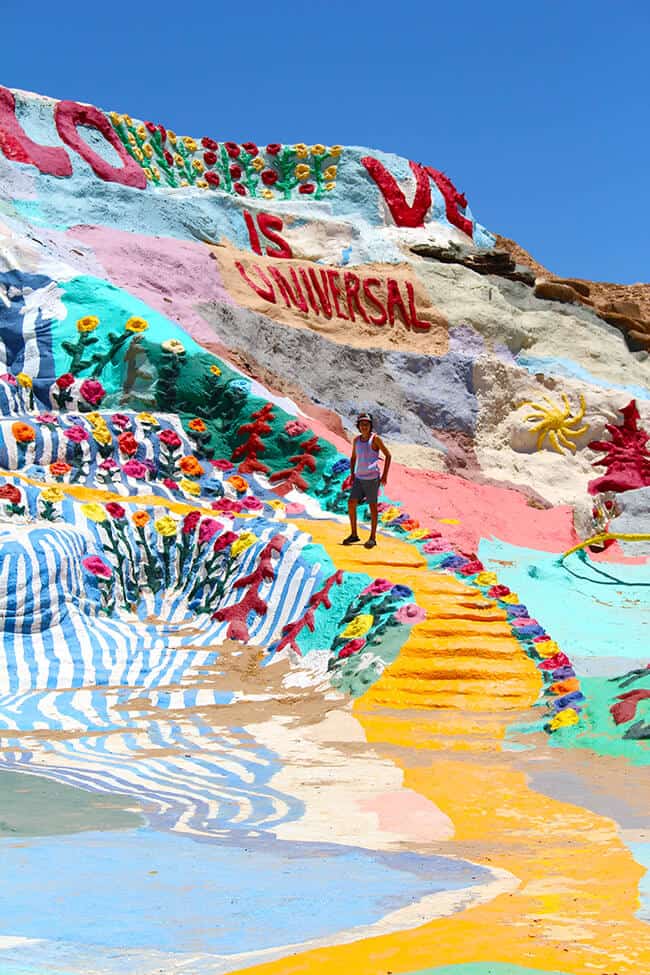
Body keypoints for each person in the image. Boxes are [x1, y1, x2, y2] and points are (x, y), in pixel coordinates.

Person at [342, 413, 391, 549]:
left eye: (367, 424)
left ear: (370, 426)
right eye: (362, 424)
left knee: (372, 507)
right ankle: (354, 534)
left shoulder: (375, 439)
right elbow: (353, 457)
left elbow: (388, 455)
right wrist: (352, 474)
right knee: (351, 503)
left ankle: (372, 538)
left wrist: (385, 476)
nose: (364, 427)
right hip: (359, 477)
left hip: (372, 478)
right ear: (358, 426)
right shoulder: (356, 440)